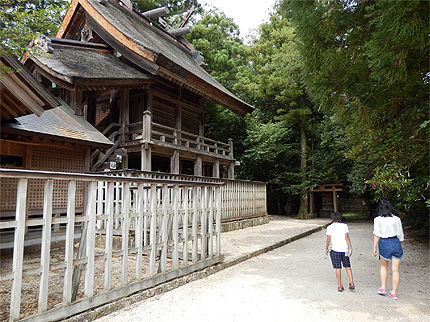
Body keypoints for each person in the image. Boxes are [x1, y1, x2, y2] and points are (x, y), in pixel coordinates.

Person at [373, 200, 404, 300]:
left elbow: (377, 234)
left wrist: (374, 247)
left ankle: (383, 288)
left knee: (383, 267)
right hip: (395, 242)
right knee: (395, 270)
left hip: (384, 243)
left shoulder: (377, 219)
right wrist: (401, 246)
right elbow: (400, 235)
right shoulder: (397, 219)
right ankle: (394, 293)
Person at [325, 212, 355, 292]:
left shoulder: (330, 227)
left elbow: (328, 239)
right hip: (344, 249)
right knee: (347, 266)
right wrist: (350, 248)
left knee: (337, 267)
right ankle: (351, 282)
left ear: (332, 219)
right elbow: (347, 237)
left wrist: (326, 248)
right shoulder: (344, 226)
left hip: (335, 250)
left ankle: (340, 286)